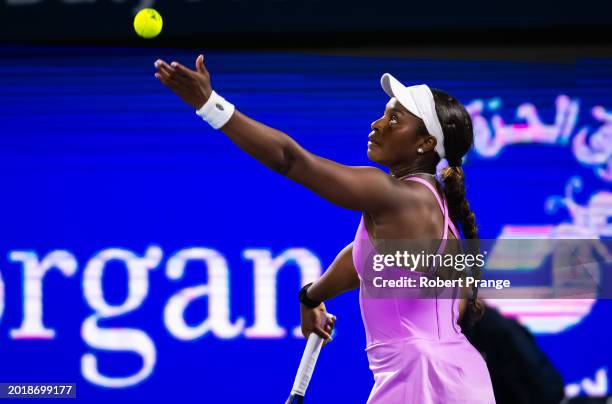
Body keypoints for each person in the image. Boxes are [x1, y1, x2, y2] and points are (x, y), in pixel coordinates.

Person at [154, 54, 495, 403]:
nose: (377, 124)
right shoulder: (432, 205)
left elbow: (291, 159)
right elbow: (363, 260)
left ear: (426, 144)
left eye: (395, 119)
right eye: (383, 113)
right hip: (458, 378)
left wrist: (209, 104)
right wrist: (312, 295)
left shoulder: (394, 196)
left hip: (423, 381)